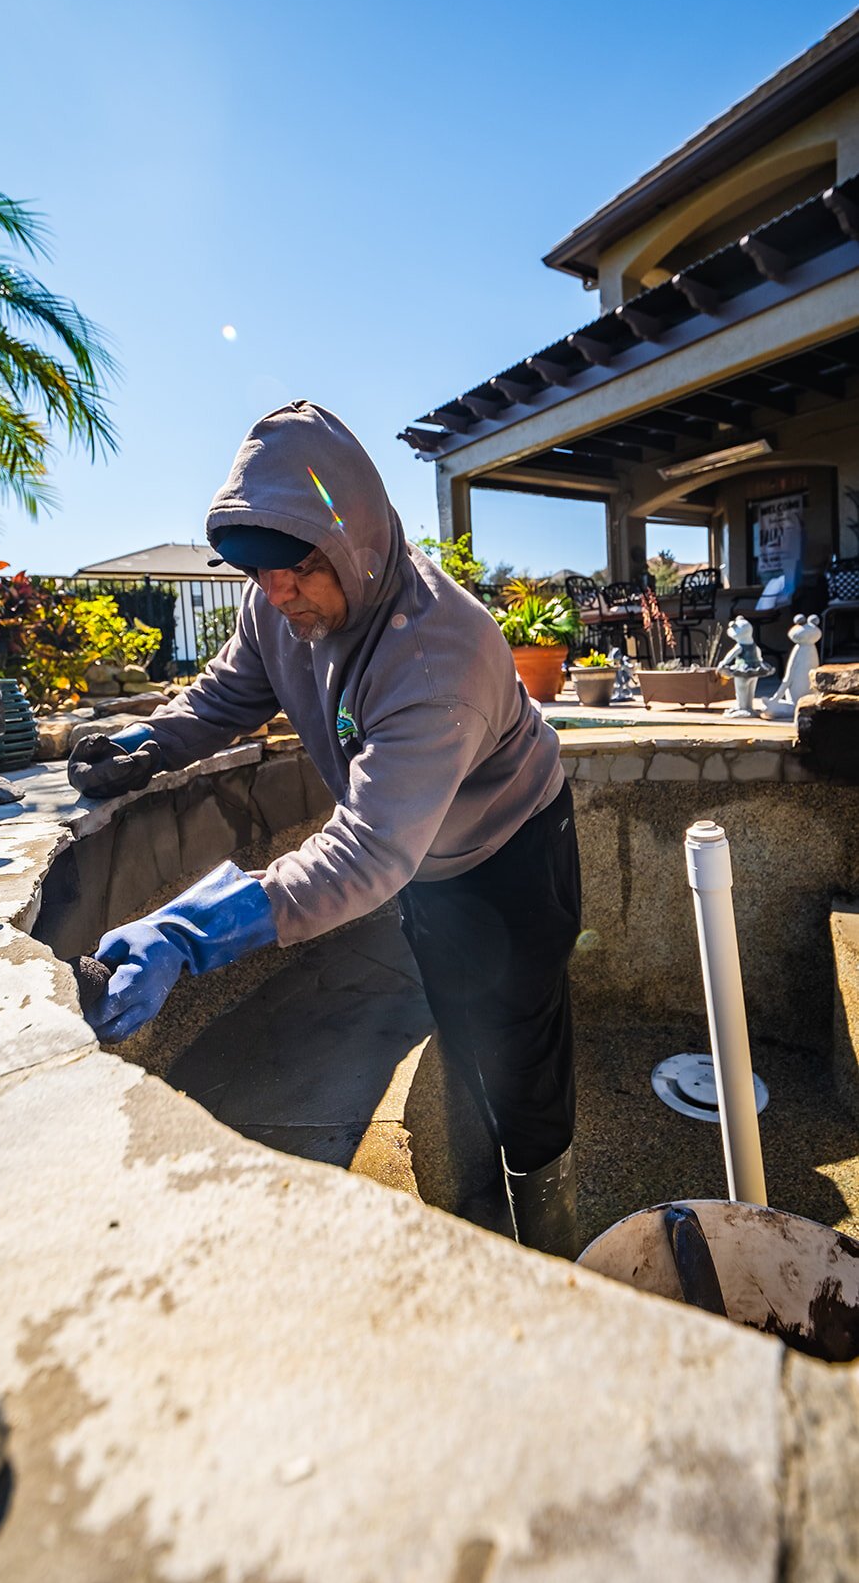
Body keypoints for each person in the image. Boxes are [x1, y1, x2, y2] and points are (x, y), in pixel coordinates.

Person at [69, 402, 582, 1256]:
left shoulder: (436, 656)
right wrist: (141, 748)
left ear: (357, 546)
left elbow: (367, 851)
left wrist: (191, 931)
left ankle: (551, 1235)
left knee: (522, 1042)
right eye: (255, 570)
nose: (275, 593)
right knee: (458, 1014)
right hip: (421, 858)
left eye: (297, 568)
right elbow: (225, 697)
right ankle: (480, 1190)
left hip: (511, 850)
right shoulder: (276, 601)